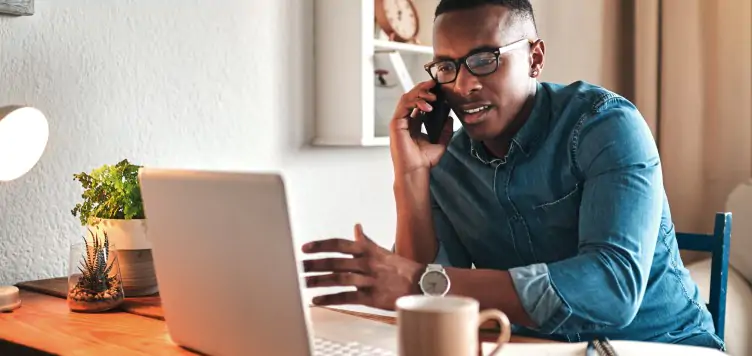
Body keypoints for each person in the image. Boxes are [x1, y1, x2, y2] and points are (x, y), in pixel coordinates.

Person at [301, 0, 724, 350]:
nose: (463, 85)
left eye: (484, 60)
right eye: (446, 67)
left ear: (535, 58)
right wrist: (410, 175)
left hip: (660, 345)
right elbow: (422, 303)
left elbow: (612, 289)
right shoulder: (445, 156)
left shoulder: (604, 126)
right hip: (535, 348)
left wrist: (419, 281)